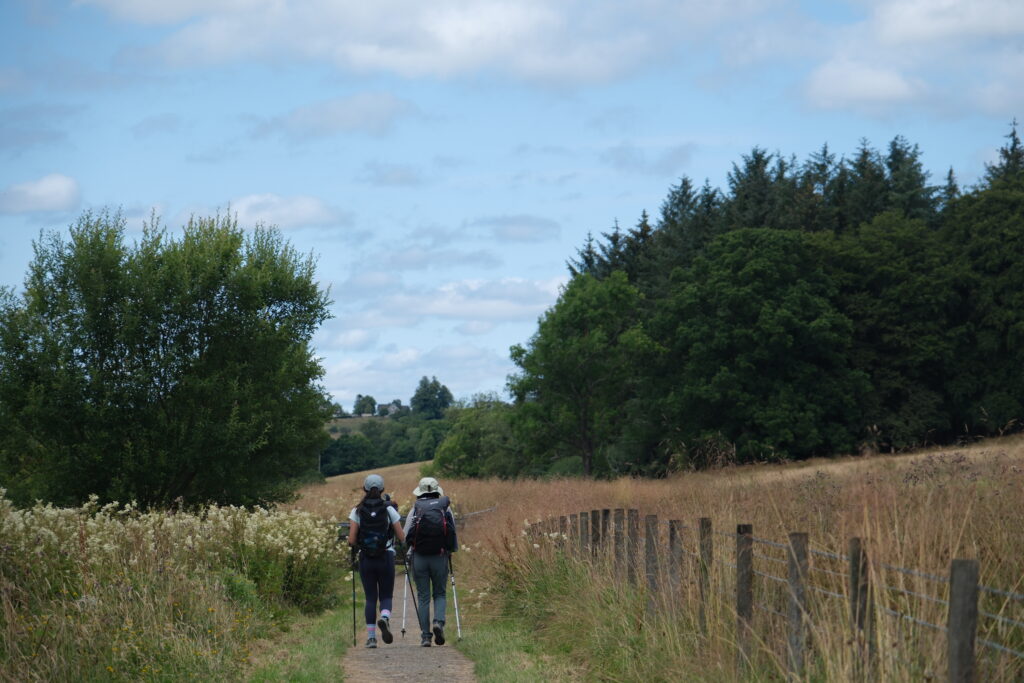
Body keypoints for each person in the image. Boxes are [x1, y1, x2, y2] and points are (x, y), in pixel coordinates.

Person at [347, 473, 405, 648]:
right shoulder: (389, 509)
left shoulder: (357, 510)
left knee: (371, 598)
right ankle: (385, 617)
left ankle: (371, 638)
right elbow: (402, 537)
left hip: (366, 558)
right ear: (382, 490)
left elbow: (351, 540)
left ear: (364, 489)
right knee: (386, 595)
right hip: (386, 555)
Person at [403, 476, 458, 647]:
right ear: (437, 491)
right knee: (440, 593)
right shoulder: (445, 509)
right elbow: (452, 533)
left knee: (423, 597)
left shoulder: (416, 509)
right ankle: (438, 623)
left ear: (420, 492)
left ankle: (426, 636)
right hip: (439, 556)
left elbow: (405, 535)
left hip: (419, 557)